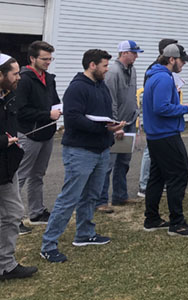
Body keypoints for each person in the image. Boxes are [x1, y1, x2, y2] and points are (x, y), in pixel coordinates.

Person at [40, 49, 125, 263]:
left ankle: (85, 234)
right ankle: (48, 245)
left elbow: (105, 115)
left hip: (101, 149)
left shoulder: (101, 86)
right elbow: (73, 119)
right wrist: (103, 129)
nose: (108, 69)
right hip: (80, 151)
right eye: (104, 66)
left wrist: (113, 126)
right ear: (92, 65)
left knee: (91, 195)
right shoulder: (77, 88)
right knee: (69, 198)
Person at [141, 43, 188, 237]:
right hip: (165, 134)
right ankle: (177, 223)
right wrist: (186, 109)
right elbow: (161, 108)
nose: (183, 64)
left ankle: (151, 218)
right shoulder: (164, 79)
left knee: (157, 177)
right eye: (182, 60)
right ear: (171, 59)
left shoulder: (154, 75)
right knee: (179, 173)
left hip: (156, 134)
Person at [0, 54, 38, 279]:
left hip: (7, 168)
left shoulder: (9, 96)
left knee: (13, 213)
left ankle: (6, 265)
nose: (18, 77)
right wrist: (4, 141)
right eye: (14, 73)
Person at [15, 41, 61, 227]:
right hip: (29, 134)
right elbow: (21, 110)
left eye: (50, 59)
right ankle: (13, 218)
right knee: (20, 177)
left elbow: (54, 100)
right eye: (44, 59)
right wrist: (46, 114)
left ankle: (37, 212)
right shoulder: (23, 79)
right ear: (33, 58)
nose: (48, 62)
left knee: (38, 175)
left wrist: (58, 110)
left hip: (47, 133)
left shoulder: (49, 78)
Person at [98, 40, 144, 211]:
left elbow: (132, 95)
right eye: (134, 53)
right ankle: (101, 200)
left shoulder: (132, 71)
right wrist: (116, 125)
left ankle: (120, 195)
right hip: (118, 125)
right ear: (124, 53)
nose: (136, 56)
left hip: (130, 121)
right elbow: (111, 101)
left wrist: (135, 117)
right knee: (109, 163)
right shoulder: (113, 72)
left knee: (124, 162)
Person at [138, 38, 178, 198]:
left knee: (157, 155)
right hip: (156, 122)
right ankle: (144, 185)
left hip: (159, 122)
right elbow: (158, 101)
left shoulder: (163, 72)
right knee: (150, 152)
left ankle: (157, 183)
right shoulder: (157, 71)